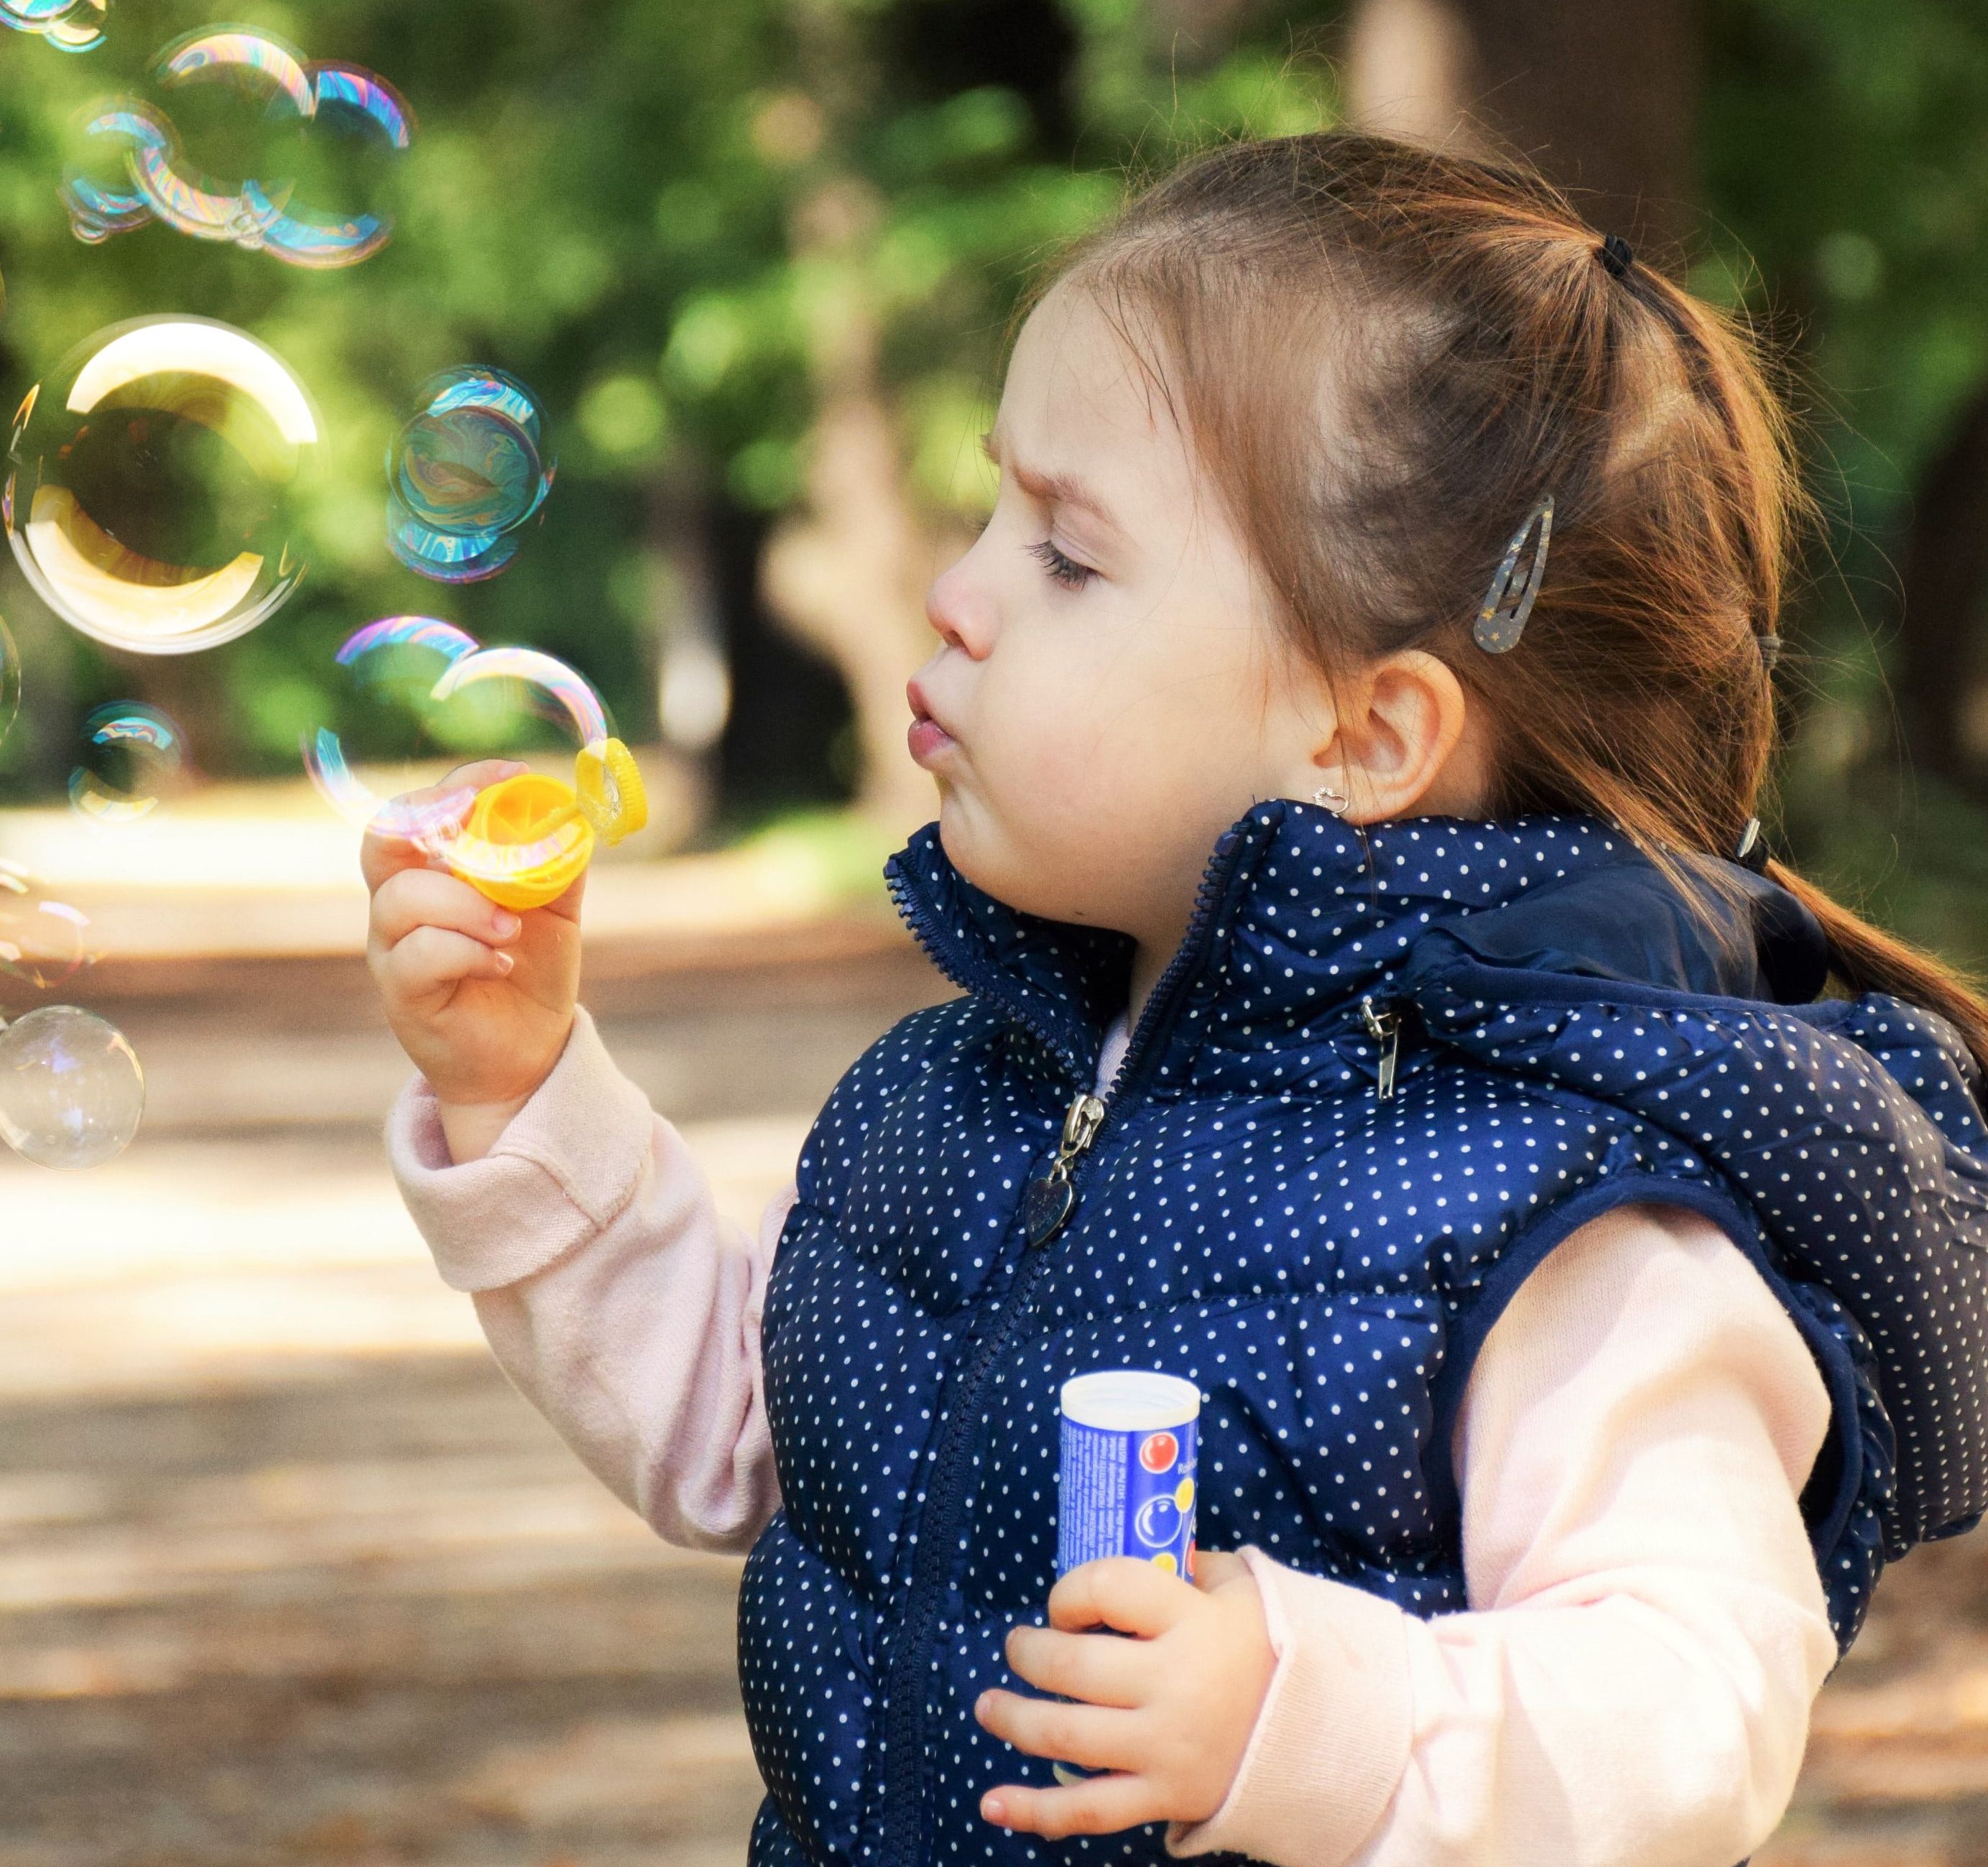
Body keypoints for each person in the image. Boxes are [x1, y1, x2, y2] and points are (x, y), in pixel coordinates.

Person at [359, 129, 1988, 1866]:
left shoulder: (1558, 1203)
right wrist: (523, 1087)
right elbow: (747, 1434)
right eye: (992, 504)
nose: (954, 590)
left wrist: (1305, 1714)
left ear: (1364, 738)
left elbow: (1691, 1703)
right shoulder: (966, 1091)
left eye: (1064, 554)